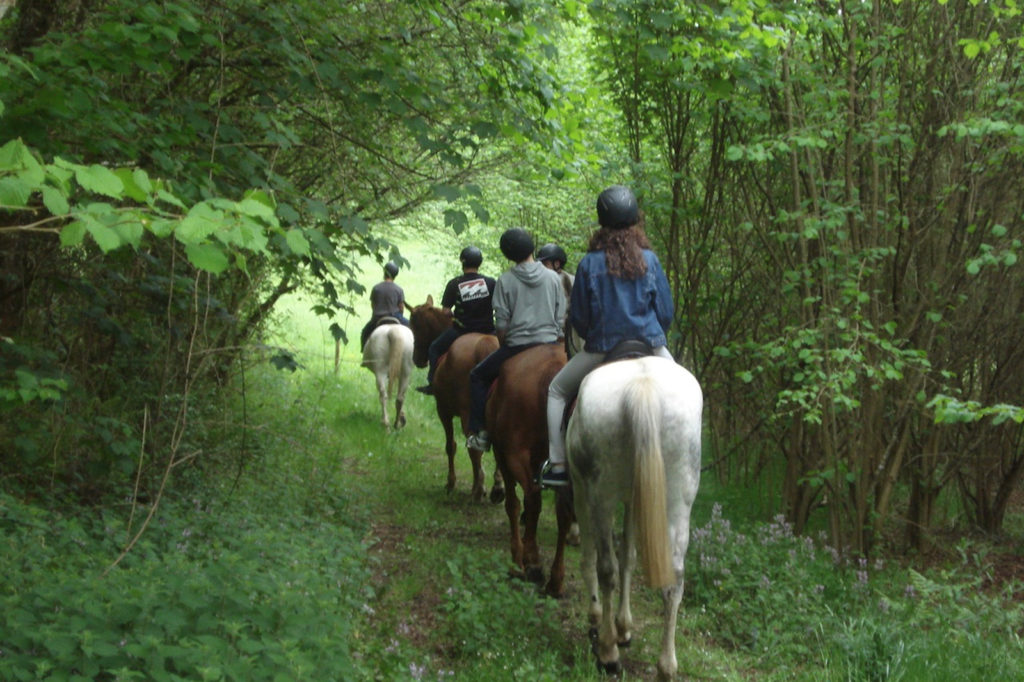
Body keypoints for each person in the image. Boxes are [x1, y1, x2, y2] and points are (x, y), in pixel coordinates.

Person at [541, 185, 676, 487]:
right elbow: (665, 312)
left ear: (601, 220)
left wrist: (594, 337)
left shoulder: (589, 263)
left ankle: (558, 464)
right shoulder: (650, 260)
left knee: (556, 392)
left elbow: (580, 317)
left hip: (603, 349)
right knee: (688, 389)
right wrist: (654, 334)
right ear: (634, 218)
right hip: (650, 346)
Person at [465, 228, 564, 452]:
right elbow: (561, 317)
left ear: (508, 255)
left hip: (517, 347)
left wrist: (505, 342)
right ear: (532, 247)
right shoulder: (552, 278)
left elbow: (501, 325)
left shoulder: (505, 280)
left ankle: (481, 434)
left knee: (477, 376)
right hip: (550, 343)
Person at [415, 246, 496, 395]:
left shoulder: (454, 284)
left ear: (462, 262)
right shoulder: (490, 282)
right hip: (489, 330)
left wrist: (453, 314)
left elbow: (446, 311)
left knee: (434, 348)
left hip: (462, 331)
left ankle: (432, 383)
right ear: (480, 263)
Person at [360, 261, 410, 351]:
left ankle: (363, 350)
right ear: (395, 275)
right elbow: (401, 307)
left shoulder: (376, 288)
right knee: (412, 328)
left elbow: (373, 305)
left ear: (384, 272)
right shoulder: (399, 289)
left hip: (378, 318)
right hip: (396, 317)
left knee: (365, 332)